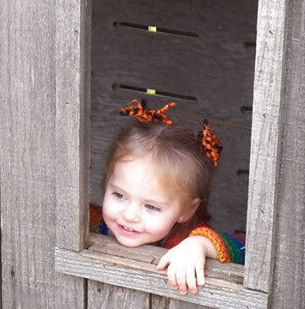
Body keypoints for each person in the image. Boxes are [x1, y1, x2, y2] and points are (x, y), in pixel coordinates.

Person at [91, 99, 244, 294]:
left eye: (152, 207)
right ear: (107, 183)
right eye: (119, 195)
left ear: (186, 210)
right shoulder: (92, 222)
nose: (130, 215)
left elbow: (242, 250)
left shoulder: (183, 240)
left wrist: (201, 245)